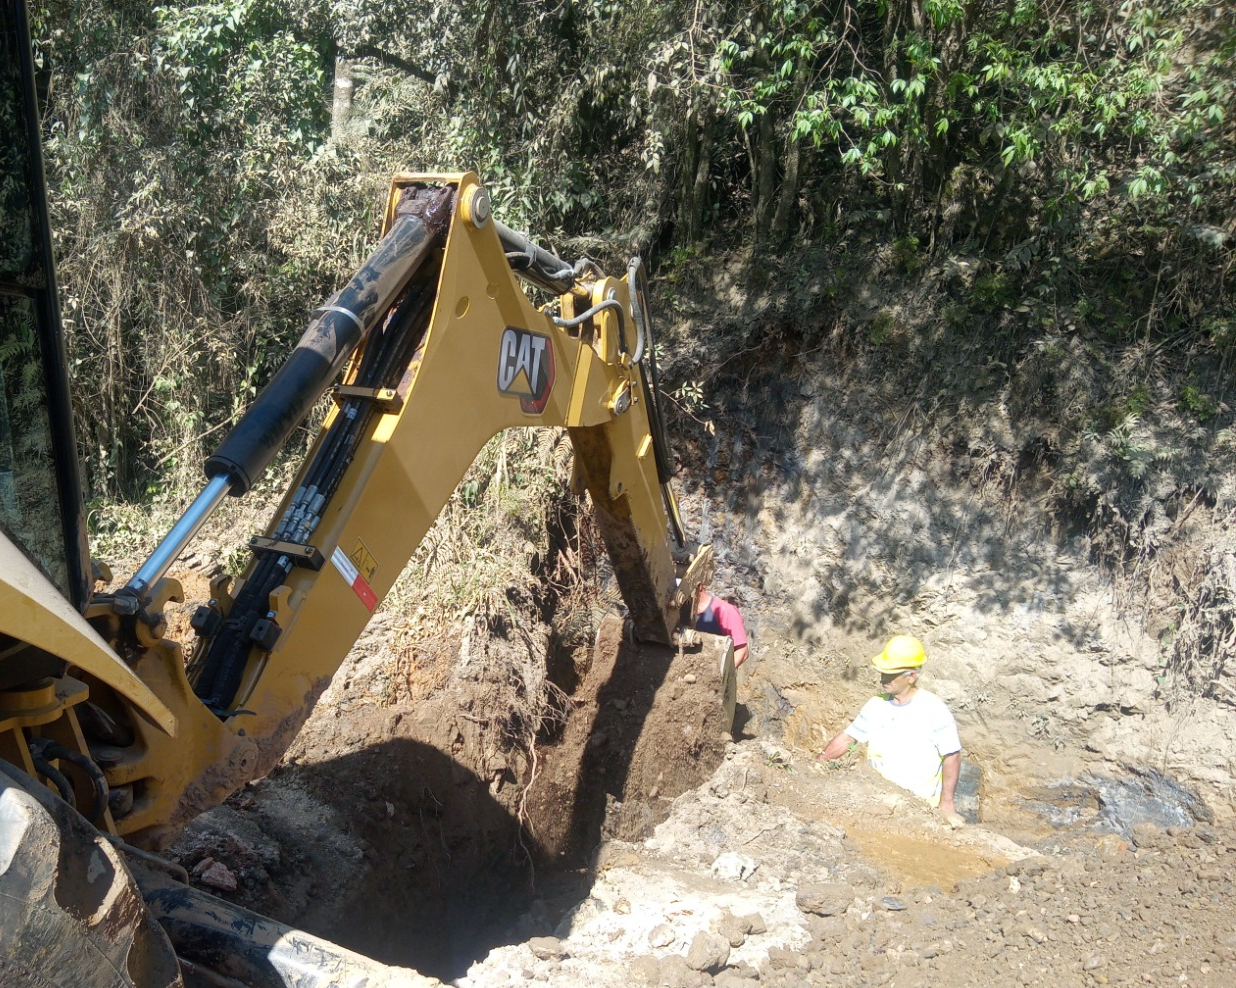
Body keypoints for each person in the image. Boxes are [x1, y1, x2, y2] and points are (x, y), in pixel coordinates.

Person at [818, 634, 963, 825]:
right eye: (883, 672)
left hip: (918, 809)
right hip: (876, 801)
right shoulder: (875, 705)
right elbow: (848, 738)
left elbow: (952, 754)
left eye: (890, 673)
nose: (883, 678)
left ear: (911, 676)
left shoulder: (933, 709)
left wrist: (947, 803)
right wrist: (820, 762)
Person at [692, 585, 750, 669]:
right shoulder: (680, 613)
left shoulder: (725, 610)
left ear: (700, 586)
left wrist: (720, 676)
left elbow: (742, 651)